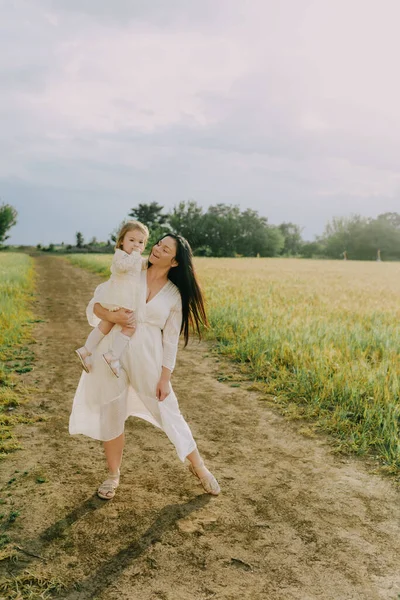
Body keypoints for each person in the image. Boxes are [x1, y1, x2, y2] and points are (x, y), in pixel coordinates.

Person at [69, 234, 221, 499]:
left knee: (168, 410)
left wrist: (165, 377)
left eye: (165, 249)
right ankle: (113, 475)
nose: (157, 249)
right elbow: (96, 303)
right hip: (112, 352)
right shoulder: (131, 270)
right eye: (157, 244)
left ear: (175, 262)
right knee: (111, 412)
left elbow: (171, 340)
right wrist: (111, 315)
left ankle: (200, 468)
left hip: (148, 357)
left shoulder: (174, 295)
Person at [75, 221, 148, 378]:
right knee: (130, 325)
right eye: (132, 240)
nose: (136, 245)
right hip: (119, 295)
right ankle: (112, 356)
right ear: (122, 241)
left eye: (140, 242)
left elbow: (143, 265)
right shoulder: (120, 254)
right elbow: (122, 267)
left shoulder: (135, 258)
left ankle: (86, 350)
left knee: (107, 324)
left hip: (123, 296)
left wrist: (149, 262)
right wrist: (136, 255)